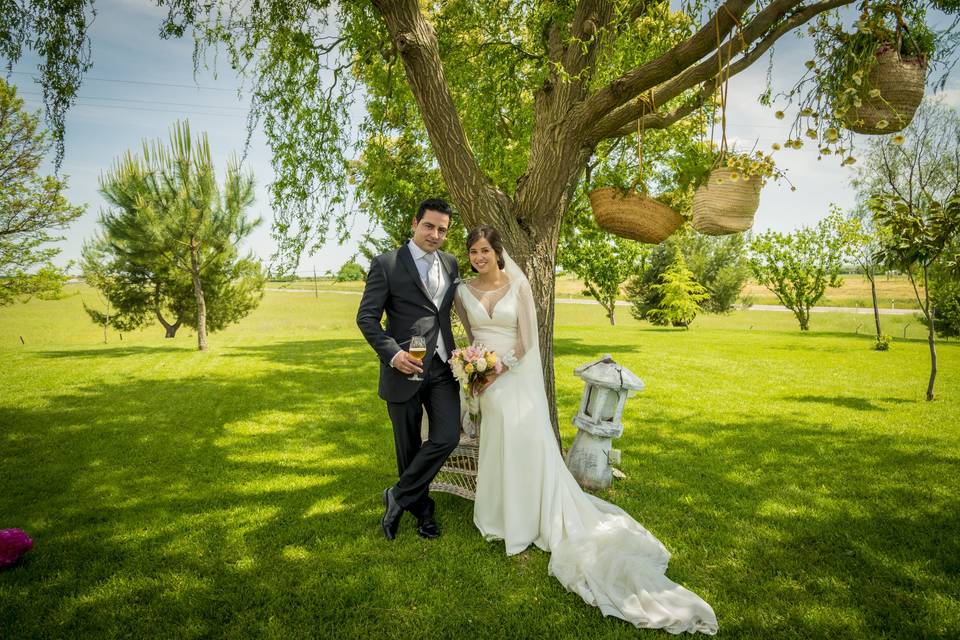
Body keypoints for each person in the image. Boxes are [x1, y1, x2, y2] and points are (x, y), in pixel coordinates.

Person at [453, 225, 718, 635]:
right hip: (483, 379)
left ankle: (525, 518)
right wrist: (473, 366)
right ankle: (497, 514)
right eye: (473, 251)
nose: (478, 257)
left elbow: (526, 342)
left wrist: (496, 367)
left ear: (497, 251)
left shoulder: (518, 286)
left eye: (485, 250)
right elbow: (470, 335)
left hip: (513, 375)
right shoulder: (462, 291)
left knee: (519, 434)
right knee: (497, 434)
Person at [356, 198, 461, 540]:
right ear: (414, 223)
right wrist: (392, 355)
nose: (435, 234)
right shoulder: (386, 264)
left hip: (444, 367)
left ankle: (398, 496)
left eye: (442, 230)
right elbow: (367, 318)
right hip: (404, 368)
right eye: (429, 226)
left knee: (446, 436)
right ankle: (423, 511)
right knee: (408, 447)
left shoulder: (450, 263)